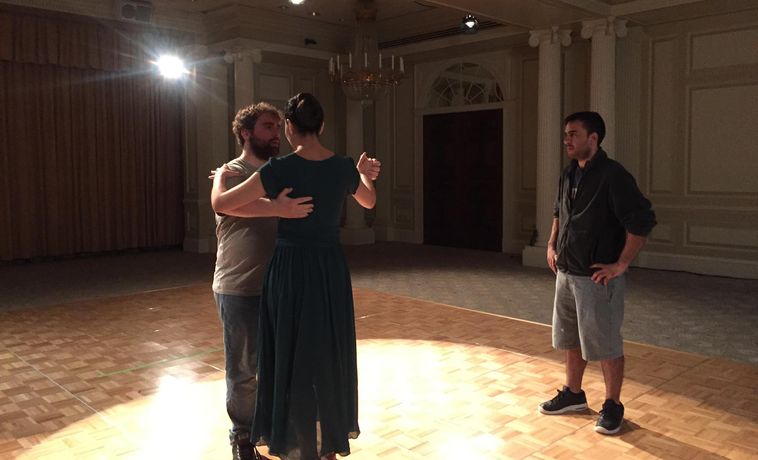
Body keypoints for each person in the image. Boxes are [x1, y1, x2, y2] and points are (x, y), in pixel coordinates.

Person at [211, 93, 381, 460]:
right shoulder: (342, 166)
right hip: (329, 270)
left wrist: (222, 181)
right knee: (325, 355)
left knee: (289, 356)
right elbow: (368, 202)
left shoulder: (280, 169)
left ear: (289, 127)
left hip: (290, 270)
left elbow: (222, 205)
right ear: (321, 126)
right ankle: (326, 446)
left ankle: (295, 442)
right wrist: (364, 176)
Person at [538, 111, 656, 435]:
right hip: (566, 272)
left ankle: (613, 405)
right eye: (566, 135)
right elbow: (558, 212)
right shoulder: (568, 174)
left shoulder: (614, 176)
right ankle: (574, 394)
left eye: (573, 134)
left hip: (595, 278)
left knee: (605, 343)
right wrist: (550, 244)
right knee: (571, 339)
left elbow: (642, 221)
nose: (567, 140)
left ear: (594, 138)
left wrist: (621, 264)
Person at [212, 102, 315, 460]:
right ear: (246, 133)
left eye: (277, 127)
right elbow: (227, 206)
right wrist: (277, 207)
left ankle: (272, 428)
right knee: (244, 370)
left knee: (279, 364)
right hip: (239, 286)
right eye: (268, 127)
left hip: (281, 285)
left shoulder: (282, 172)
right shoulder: (232, 171)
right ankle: (242, 436)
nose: (275, 134)